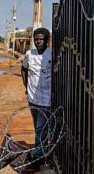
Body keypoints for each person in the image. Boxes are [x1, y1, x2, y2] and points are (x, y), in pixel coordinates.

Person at [21, 27, 52, 171]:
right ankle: (44, 152)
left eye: (41, 39)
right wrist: (26, 87)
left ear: (46, 40)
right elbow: (24, 69)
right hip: (33, 99)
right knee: (38, 129)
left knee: (41, 129)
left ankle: (36, 160)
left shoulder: (51, 55)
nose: (38, 41)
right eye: (36, 39)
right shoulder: (29, 54)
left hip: (46, 100)